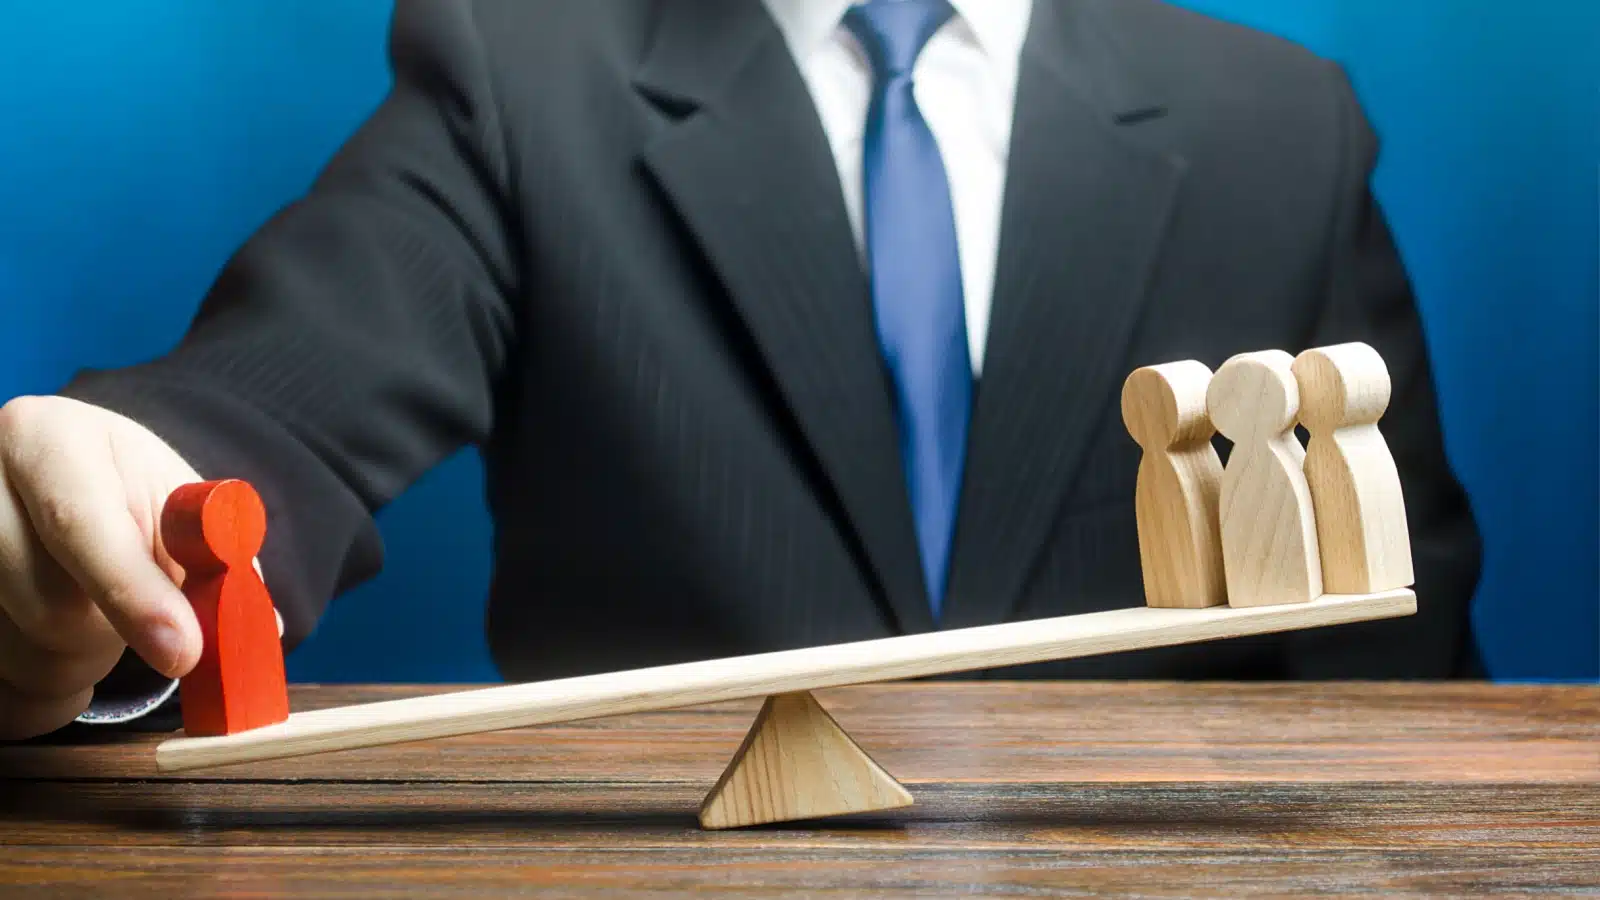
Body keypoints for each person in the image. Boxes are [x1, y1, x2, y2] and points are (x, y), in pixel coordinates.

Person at [0, 0, 1483, 742]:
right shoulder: (519, 77)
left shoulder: (1282, 126)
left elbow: (1405, 691)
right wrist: (111, 523)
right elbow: (270, 402)